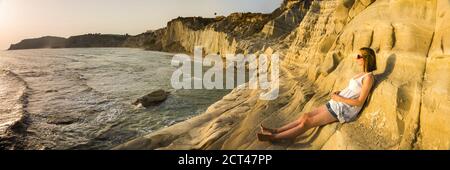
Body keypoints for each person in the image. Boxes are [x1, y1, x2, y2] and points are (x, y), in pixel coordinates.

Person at [257, 47, 378, 142]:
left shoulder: (368, 78)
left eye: (359, 56)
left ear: (366, 59)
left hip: (344, 109)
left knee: (306, 123)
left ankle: (274, 138)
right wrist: (339, 93)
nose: (356, 58)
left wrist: (339, 98)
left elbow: (359, 101)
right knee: (305, 116)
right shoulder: (360, 74)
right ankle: (276, 131)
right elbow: (352, 90)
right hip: (338, 102)